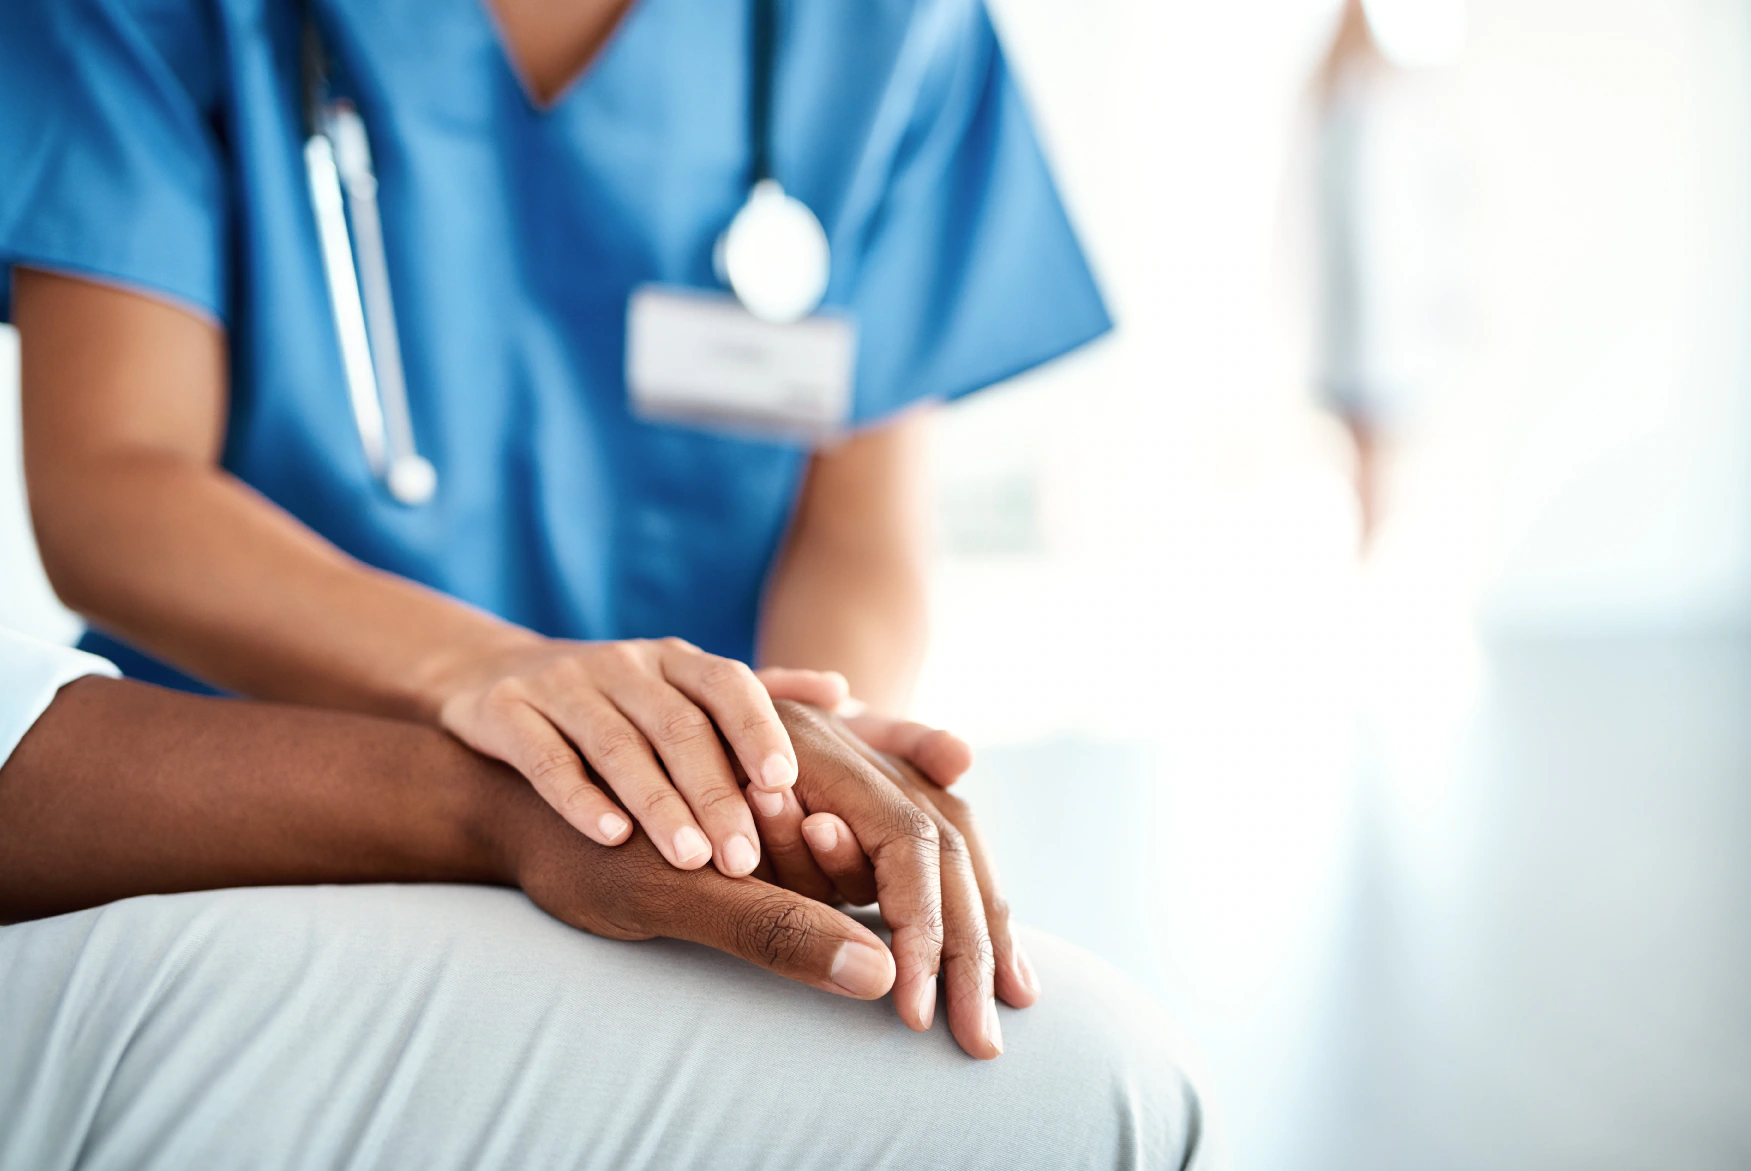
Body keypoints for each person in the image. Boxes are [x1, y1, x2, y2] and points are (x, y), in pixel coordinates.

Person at [0, 0, 1111, 946]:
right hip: (238, 823)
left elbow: (855, 534)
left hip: (680, 849)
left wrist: (782, 775)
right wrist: (498, 677)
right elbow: (114, 486)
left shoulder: (882, 30)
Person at [0, 626, 1213, 1169]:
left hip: (628, 764)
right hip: (259, 779)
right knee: (1079, 1085)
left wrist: (774, 767)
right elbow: (118, 481)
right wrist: (502, 785)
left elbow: (864, 487)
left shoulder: (896, 94)